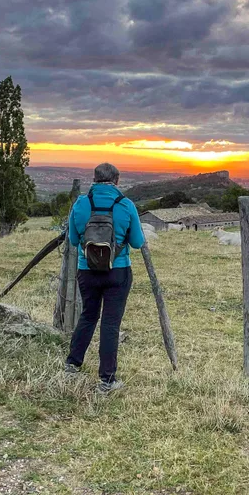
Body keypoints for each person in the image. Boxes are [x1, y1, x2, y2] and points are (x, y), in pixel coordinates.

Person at [64, 163, 145, 394]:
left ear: (94, 179)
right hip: (117, 270)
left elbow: (72, 239)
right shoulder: (125, 205)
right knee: (110, 323)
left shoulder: (81, 203)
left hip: (87, 270)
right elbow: (138, 242)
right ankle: (107, 379)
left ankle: (72, 364)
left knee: (88, 316)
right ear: (117, 180)